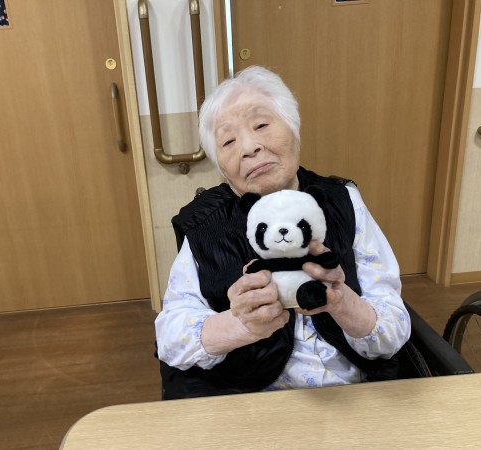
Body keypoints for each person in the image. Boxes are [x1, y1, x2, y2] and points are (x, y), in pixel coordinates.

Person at [155, 66, 411, 399]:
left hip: (353, 397)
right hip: (251, 401)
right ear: (221, 167)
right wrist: (240, 324)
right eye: (228, 141)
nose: (249, 147)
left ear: (294, 128)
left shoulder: (342, 200)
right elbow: (171, 338)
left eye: (261, 125)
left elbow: (393, 327)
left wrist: (341, 300)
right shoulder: (205, 224)